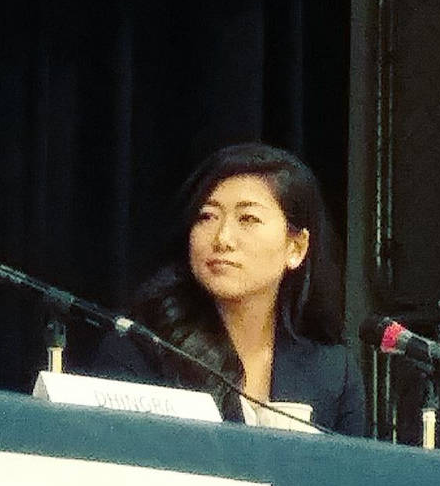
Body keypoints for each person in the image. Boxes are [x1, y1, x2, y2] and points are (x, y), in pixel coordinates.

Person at [95, 142, 367, 435]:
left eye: (247, 219)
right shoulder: (142, 348)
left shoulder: (332, 372)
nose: (222, 238)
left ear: (296, 247)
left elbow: (349, 477)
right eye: (207, 216)